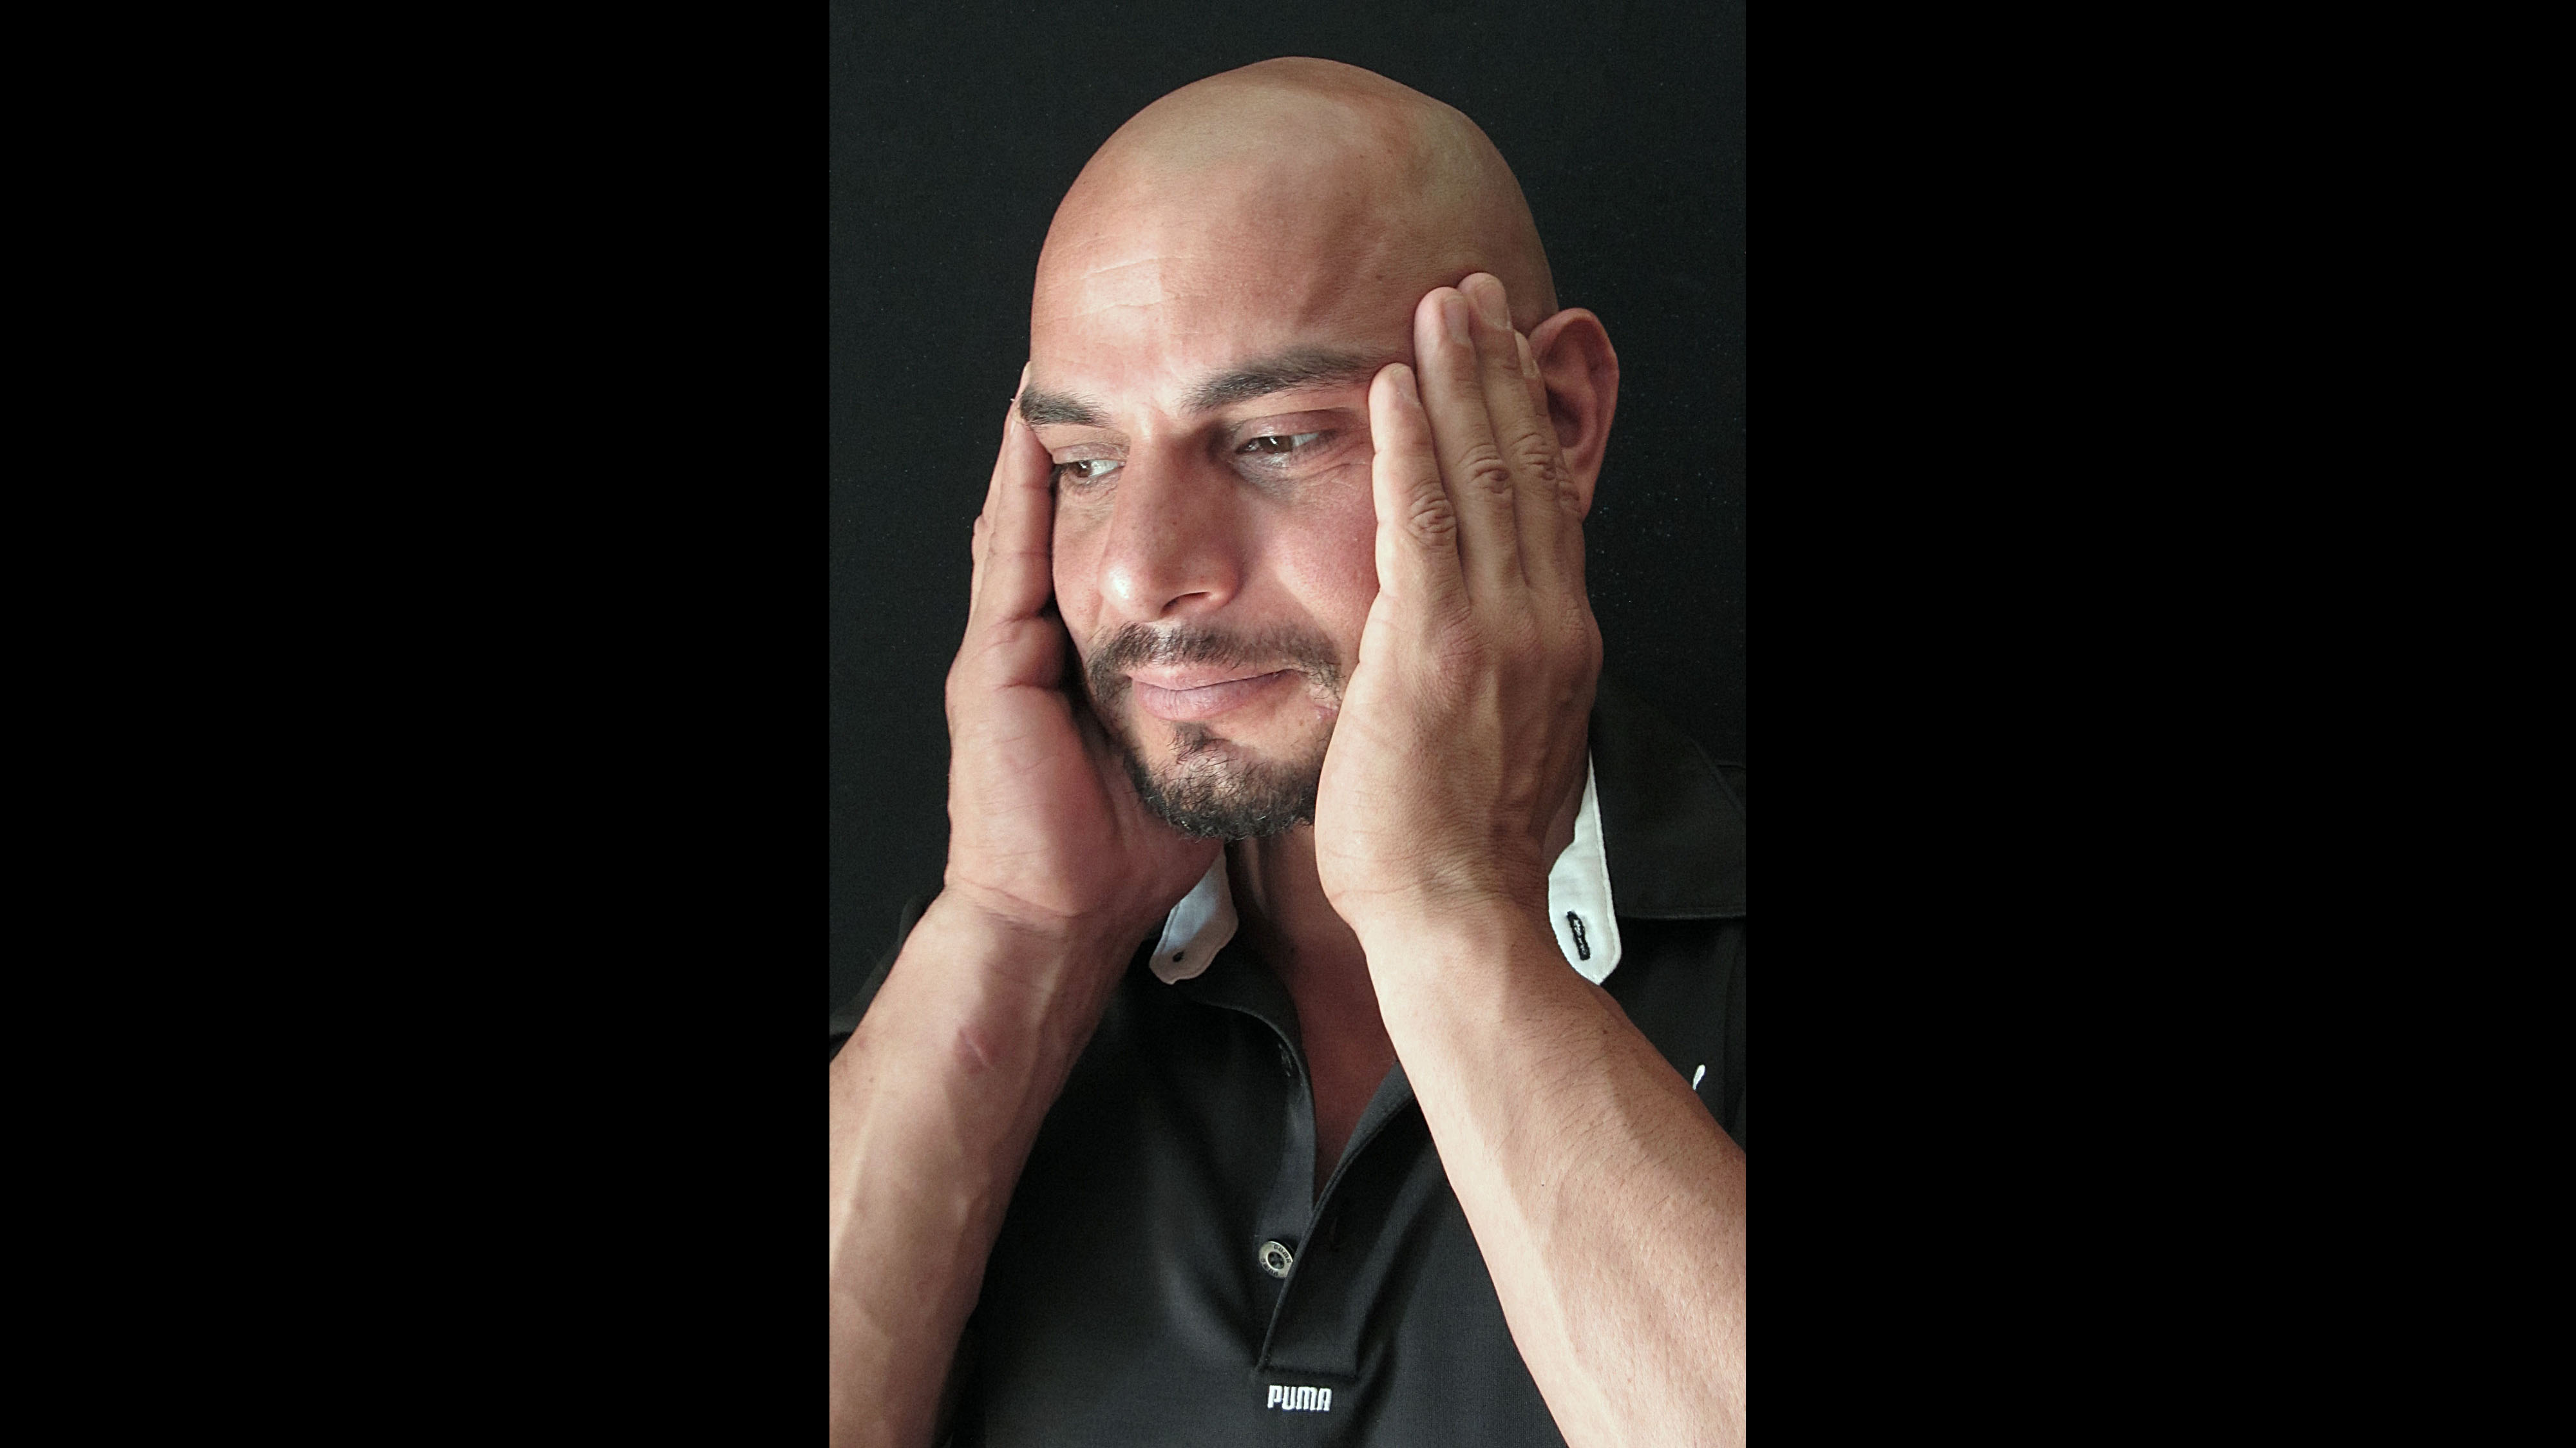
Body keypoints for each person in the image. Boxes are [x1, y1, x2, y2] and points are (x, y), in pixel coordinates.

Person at [828, 57, 1745, 1448]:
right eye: (1085, 463)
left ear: (1552, 423)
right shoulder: (990, 970)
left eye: (1272, 438)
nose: (1141, 574)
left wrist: (1449, 911)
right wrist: (1011, 931)